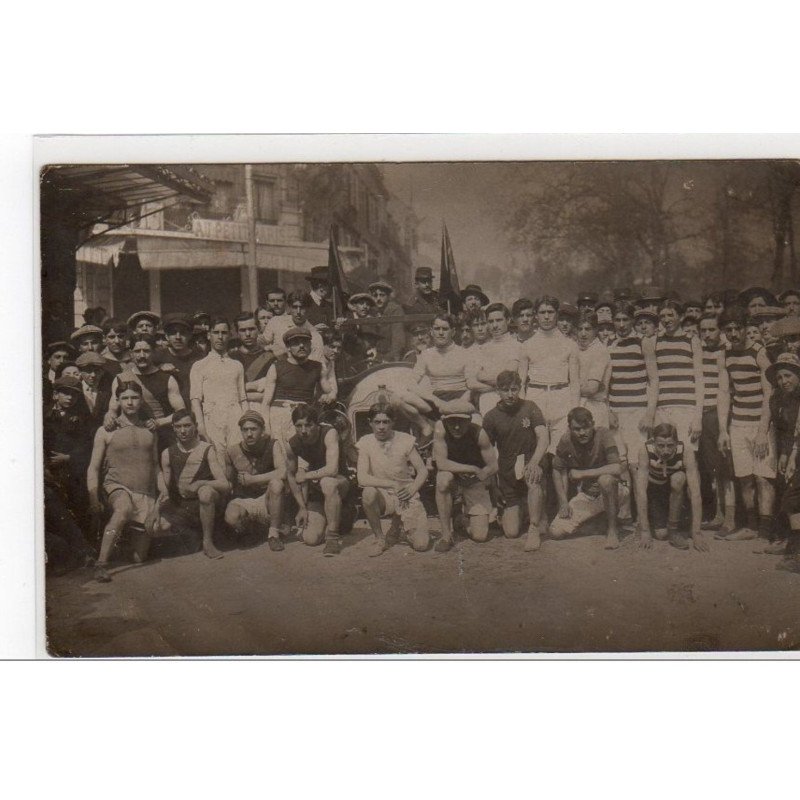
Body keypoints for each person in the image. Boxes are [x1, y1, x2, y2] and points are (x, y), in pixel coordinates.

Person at [87, 381, 159, 582]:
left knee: (139, 558)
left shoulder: (150, 430)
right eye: (125, 398)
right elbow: (93, 467)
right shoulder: (106, 430)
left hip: (144, 492)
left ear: (141, 400)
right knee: (123, 509)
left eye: (134, 398)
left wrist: (162, 494)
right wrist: (93, 498)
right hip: (116, 486)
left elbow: (156, 466)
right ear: (117, 401)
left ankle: (120, 536)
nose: (130, 402)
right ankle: (101, 564)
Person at [717, 305, 776, 543]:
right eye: (728, 329)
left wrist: (762, 431)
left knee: (763, 478)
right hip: (738, 424)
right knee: (745, 478)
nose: (733, 333)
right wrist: (723, 430)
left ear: (745, 328)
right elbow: (724, 393)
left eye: (737, 328)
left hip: (761, 424)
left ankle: (766, 531)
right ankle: (751, 527)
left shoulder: (759, 352)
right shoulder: (724, 355)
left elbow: (769, 393)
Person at [482, 370, 549, 549]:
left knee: (532, 477)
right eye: (505, 390)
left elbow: (543, 437)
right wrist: (494, 485)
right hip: (508, 469)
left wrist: (534, 462)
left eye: (514, 389)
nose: (510, 395)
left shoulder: (530, 407)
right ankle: (526, 509)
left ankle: (534, 528)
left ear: (519, 388)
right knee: (511, 532)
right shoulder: (491, 417)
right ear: (497, 390)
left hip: (530, 460)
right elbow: (487, 453)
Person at [357, 403, 430, 556]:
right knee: (368, 493)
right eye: (377, 422)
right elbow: (362, 478)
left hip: (406, 494)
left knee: (421, 545)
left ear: (393, 422)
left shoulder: (405, 440)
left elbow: (422, 471)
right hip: (383, 495)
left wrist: (412, 489)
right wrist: (391, 484)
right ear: (370, 423)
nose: (381, 427)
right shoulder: (365, 442)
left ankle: (398, 525)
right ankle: (379, 539)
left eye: (386, 422)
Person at [154, 409, 229, 559]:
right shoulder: (167, 453)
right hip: (184, 505)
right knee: (156, 528)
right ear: (173, 428)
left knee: (205, 492)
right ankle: (194, 534)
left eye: (187, 425)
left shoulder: (206, 449)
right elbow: (166, 490)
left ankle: (208, 542)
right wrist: (156, 509)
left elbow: (224, 484)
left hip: (207, 503)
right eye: (178, 426)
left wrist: (201, 483)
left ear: (195, 426)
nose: (183, 431)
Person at [550, 407, 623, 549]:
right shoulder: (566, 440)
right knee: (555, 532)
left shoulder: (604, 434)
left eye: (586, 427)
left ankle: (612, 530)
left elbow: (616, 468)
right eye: (577, 429)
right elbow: (557, 469)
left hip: (615, 490)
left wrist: (583, 473)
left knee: (605, 480)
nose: (582, 433)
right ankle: (596, 521)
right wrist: (563, 502)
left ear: (593, 424)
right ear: (569, 428)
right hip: (589, 494)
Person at [285, 404, 351, 556]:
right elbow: (291, 475)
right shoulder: (292, 444)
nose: (303, 430)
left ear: (317, 424)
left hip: (339, 483)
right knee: (311, 539)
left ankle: (332, 538)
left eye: (308, 425)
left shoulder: (329, 433)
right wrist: (302, 507)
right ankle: (334, 517)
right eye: (299, 426)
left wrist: (306, 475)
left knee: (327, 482)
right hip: (317, 490)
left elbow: (332, 469)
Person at [519, 296, 580, 456]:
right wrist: (523, 409)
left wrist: (574, 409)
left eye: (550, 312)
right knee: (536, 451)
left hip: (561, 398)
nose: (546, 317)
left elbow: (574, 382)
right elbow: (521, 382)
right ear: (535, 315)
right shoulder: (527, 345)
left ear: (557, 314)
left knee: (560, 451)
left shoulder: (570, 345)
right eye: (542, 312)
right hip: (535, 397)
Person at [433, 401, 498, 550]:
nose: (456, 427)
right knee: (442, 479)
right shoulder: (440, 428)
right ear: (444, 420)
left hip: (473, 481)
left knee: (480, 536)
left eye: (461, 422)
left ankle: (460, 518)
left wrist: (478, 475)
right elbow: (441, 463)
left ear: (469, 420)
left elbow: (493, 465)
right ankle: (446, 535)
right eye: (452, 421)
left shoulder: (479, 433)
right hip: (454, 477)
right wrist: (471, 468)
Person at [400, 313, 475, 439]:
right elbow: (411, 383)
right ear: (431, 331)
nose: (440, 333)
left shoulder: (464, 353)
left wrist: (459, 403)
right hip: (438, 401)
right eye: (437, 329)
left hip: (460, 398)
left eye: (445, 329)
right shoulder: (426, 354)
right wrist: (436, 401)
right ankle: (426, 428)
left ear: (453, 332)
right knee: (399, 398)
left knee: (477, 423)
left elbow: (472, 386)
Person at [106, 333, 185, 451]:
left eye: (146, 351)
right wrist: (109, 418)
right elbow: (112, 410)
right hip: (130, 438)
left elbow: (181, 412)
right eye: (137, 351)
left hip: (161, 438)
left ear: (153, 352)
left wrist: (158, 422)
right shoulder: (120, 378)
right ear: (131, 353)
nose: (142, 355)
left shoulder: (167, 379)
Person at [635, 423, 707, 551]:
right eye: (661, 446)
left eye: (670, 445)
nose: (665, 450)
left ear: (676, 443)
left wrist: (697, 533)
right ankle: (650, 521)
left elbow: (696, 492)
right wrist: (645, 531)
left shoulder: (685, 450)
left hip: (676, 492)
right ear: (653, 442)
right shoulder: (645, 450)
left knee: (679, 478)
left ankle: (673, 530)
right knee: (661, 534)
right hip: (656, 492)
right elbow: (640, 492)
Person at [223, 410, 286, 550]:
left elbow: (282, 472)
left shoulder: (272, 445)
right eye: (245, 430)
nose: (249, 434)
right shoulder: (232, 451)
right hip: (244, 499)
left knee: (277, 483)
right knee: (232, 517)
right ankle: (255, 529)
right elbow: (229, 482)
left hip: (267, 499)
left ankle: (273, 534)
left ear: (262, 430)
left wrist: (253, 479)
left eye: (253, 429)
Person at [697, 312, 736, 532]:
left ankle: (730, 517)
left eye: (711, 329)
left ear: (720, 330)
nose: (707, 334)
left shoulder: (727, 350)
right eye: (703, 330)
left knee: (725, 468)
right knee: (712, 467)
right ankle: (719, 514)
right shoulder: (698, 351)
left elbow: (726, 389)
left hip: (720, 413)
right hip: (702, 413)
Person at [259, 327, 331, 442]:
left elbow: (329, 391)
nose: (301, 346)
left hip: (303, 418)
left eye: (305, 342)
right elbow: (266, 402)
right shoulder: (276, 367)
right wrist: (266, 427)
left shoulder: (318, 367)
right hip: (279, 415)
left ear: (310, 345)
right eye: (296, 343)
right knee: (280, 451)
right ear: (288, 347)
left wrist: (327, 396)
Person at [189, 318, 248, 457]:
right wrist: (201, 426)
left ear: (230, 335)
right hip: (212, 419)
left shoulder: (237, 365)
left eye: (224, 333)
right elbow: (195, 400)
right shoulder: (199, 366)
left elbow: (242, 398)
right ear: (209, 335)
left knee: (238, 457)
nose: (220, 337)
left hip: (235, 417)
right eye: (216, 332)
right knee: (217, 458)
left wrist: (246, 422)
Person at [654, 300, 704, 451]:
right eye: (662, 316)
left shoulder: (692, 341)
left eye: (670, 315)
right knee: (664, 454)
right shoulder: (655, 341)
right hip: (662, 409)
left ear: (681, 317)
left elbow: (699, 380)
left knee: (687, 454)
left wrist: (697, 417)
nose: (666, 319)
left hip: (686, 408)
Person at [468, 303, 525, 415]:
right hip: (486, 402)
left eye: (499, 320)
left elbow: (508, 377)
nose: (494, 325)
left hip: (510, 402)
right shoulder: (482, 348)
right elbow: (471, 382)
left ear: (508, 320)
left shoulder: (517, 346)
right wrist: (498, 385)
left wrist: (482, 376)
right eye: (490, 321)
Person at [157, 312, 204, 409]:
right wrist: (159, 368)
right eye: (173, 333)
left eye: (183, 333)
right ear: (166, 336)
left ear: (190, 335)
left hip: (195, 409)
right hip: (167, 411)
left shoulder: (200, 358)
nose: (178, 337)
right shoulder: (158, 357)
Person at [261, 291, 324, 361]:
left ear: (308, 309)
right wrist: (271, 349)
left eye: (302, 307)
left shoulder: (315, 336)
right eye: (295, 307)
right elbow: (261, 345)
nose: (298, 312)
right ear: (289, 308)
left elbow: (316, 363)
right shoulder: (275, 322)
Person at [576, 312, 611, 428]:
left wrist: (564, 387)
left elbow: (591, 389)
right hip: (578, 403)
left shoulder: (599, 351)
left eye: (587, 329)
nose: (583, 334)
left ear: (595, 330)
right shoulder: (575, 348)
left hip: (594, 406)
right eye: (580, 329)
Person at [232, 312, 274, 404]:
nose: (247, 334)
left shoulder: (270, 358)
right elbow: (228, 391)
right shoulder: (231, 358)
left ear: (259, 329)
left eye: (251, 329)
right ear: (237, 333)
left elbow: (272, 393)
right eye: (242, 330)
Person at [369, 279, 406, 361]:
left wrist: (389, 359)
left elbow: (398, 340)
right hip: (376, 355)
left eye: (382, 295)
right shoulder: (372, 311)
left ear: (388, 297)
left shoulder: (395, 310)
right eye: (375, 295)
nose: (378, 298)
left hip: (391, 356)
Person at [76, 352, 114, 429]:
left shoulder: (108, 391)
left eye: (97, 371)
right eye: (88, 371)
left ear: (103, 372)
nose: (93, 375)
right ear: (80, 372)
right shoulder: (76, 389)